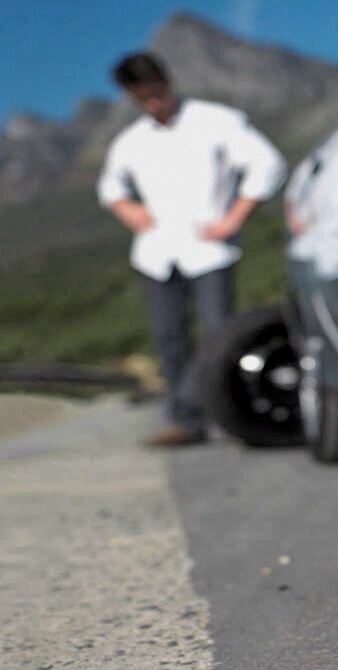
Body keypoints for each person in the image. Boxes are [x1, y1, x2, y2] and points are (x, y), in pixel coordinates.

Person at [97, 52, 286, 446]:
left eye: (156, 92)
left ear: (167, 83)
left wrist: (234, 217)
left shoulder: (215, 121)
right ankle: (187, 419)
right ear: (132, 97)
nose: (153, 103)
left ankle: (219, 413)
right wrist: (127, 209)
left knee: (219, 335)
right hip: (155, 253)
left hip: (209, 249)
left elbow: (267, 164)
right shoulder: (131, 142)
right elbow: (109, 188)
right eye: (141, 97)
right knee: (169, 337)